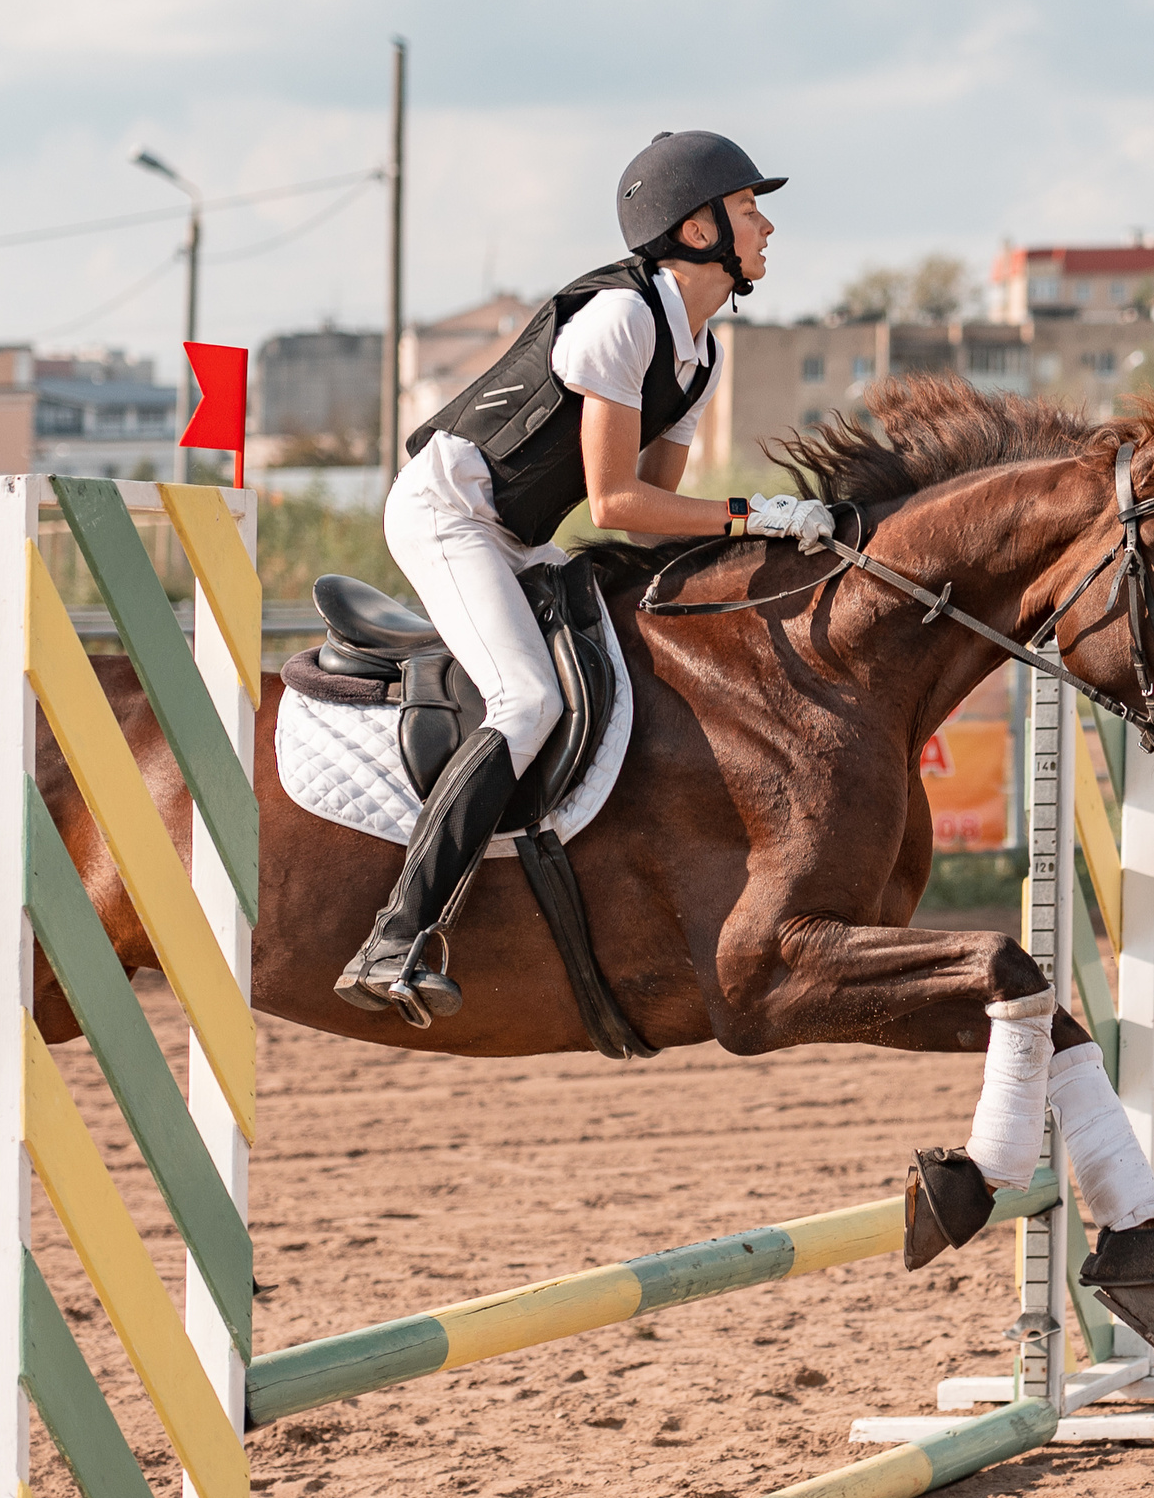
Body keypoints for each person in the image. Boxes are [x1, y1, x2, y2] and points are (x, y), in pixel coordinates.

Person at [338, 131, 832, 1017]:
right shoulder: (622, 321)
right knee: (527, 701)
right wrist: (755, 513)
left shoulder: (700, 354)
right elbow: (614, 501)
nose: (766, 227)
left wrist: (767, 537)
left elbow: (651, 516)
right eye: (749, 208)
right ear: (697, 230)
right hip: (448, 513)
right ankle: (394, 936)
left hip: (518, 534)